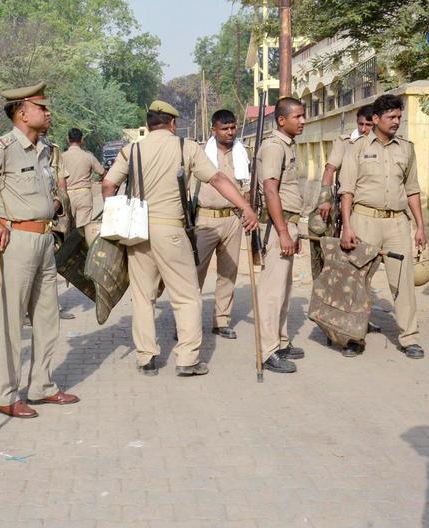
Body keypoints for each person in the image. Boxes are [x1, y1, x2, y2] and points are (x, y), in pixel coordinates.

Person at [102, 100, 258, 377]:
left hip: (137, 232)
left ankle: (146, 357)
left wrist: (116, 215)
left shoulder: (132, 149)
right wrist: (244, 207)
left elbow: (108, 184)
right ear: (172, 123)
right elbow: (218, 179)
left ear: (148, 125)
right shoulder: (185, 147)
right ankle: (187, 359)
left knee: (142, 296)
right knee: (187, 296)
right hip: (171, 231)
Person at [0, 82, 79, 419]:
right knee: (11, 321)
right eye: (42, 107)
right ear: (23, 112)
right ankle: (5, 395)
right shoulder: (4, 147)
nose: (48, 113)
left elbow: (52, 190)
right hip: (17, 239)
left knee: (47, 315)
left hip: (44, 239)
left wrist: (53, 204)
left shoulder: (45, 150)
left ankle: (42, 385)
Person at [339, 93, 426, 359]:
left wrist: (420, 227)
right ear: (375, 119)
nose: (396, 121)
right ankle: (354, 336)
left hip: (397, 223)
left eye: (399, 116)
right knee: (358, 280)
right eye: (391, 117)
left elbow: (412, 190)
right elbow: (347, 191)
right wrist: (347, 226)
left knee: (403, 281)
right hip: (363, 220)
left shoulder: (406, 149)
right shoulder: (357, 148)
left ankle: (409, 337)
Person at [256, 97, 307, 374]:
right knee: (272, 293)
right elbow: (271, 190)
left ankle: (281, 341)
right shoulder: (275, 147)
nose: (302, 121)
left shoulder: (287, 144)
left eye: (303, 115)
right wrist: (284, 232)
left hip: (288, 224)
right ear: (281, 120)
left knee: (285, 289)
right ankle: (268, 351)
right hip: (279, 227)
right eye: (297, 116)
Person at [196, 109, 250, 340]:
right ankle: (187, 323)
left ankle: (222, 320)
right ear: (213, 130)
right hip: (205, 220)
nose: (229, 132)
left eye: (232, 128)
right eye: (224, 129)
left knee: (228, 272)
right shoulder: (200, 154)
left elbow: (247, 185)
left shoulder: (242, 152)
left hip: (233, 220)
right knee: (195, 273)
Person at [311, 104, 374, 279]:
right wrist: (325, 198)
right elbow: (330, 169)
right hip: (344, 203)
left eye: (368, 125)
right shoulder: (346, 142)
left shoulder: (378, 144)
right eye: (360, 124)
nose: (363, 129)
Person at [61, 128, 105, 227]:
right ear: (81, 140)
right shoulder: (88, 156)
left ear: (68, 140)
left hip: (68, 196)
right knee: (83, 229)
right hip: (84, 195)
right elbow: (102, 172)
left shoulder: (62, 157)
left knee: (68, 229)